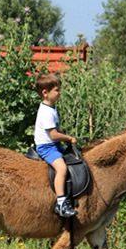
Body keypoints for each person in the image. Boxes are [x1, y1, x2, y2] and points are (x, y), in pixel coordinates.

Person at [33, 72, 78, 218]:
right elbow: (53, 135)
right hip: (46, 147)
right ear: (45, 93)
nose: (59, 93)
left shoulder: (51, 108)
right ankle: (61, 203)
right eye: (57, 90)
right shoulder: (46, 112)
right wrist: (68, 138)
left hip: (52, 144)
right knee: (62, 168)